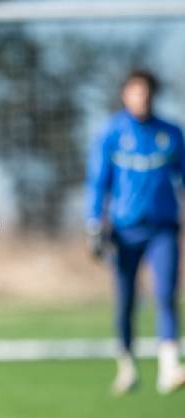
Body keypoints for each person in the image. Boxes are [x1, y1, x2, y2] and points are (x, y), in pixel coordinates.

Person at [85, 69, 185, 395]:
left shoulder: (171, 133)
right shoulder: (110, 133)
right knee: (127, 300)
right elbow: (98, 181)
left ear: (154, 94)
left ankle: (169, 368)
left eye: (146, 92)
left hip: (163, 228)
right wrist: (93, 222)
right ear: (125, 95)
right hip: (124, 231)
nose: (141, 97)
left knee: (166, 294)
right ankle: (126, 365)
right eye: (135, 91)